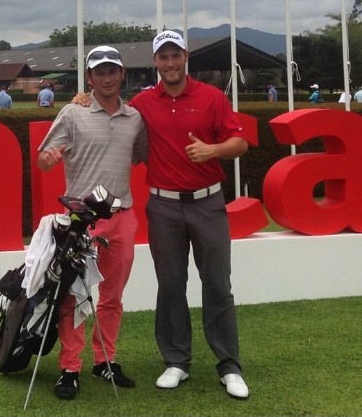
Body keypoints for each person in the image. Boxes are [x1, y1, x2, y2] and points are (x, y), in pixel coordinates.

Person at [74, 30, 250, 399]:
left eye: (175, 56)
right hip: (164, 205)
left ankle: (228, 365)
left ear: (185, 56)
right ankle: (176, 361)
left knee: (217, 284)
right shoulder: (142, 103)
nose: (170, 63)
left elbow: (241, 142)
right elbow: (109, 110)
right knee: (171, 285)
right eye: (163, 57)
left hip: (208, 203)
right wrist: (82, 98)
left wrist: (214, 150)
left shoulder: (212, 97)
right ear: (155, 61)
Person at [37, 45, 147, 400]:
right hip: (81, 222)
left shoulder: (135, 118)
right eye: (99, 72)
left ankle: (105, 360)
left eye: (112, 70)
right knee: (73, 297)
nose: (107, 77)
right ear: (89, 78)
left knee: (112, 297)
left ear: (122, 74)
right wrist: (49, 158)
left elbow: (148, 153)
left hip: (122, 217)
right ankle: (70, 367)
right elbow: (42, 159)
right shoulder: (73, 112)